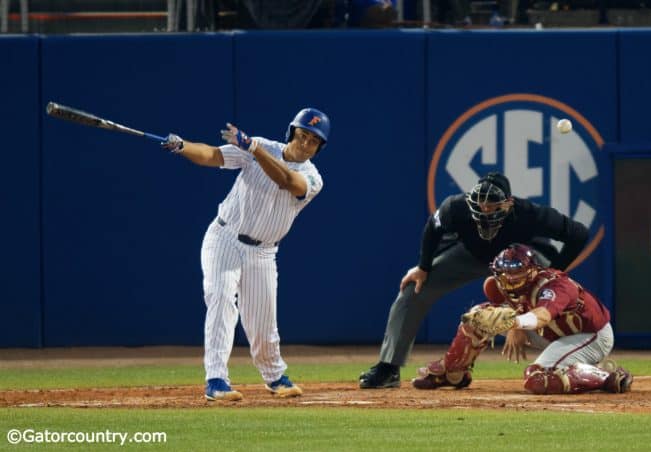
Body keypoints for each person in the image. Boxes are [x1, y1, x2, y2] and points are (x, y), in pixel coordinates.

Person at [359, 172, 590, 388]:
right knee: (413, 290)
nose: (485, 210)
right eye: (481, 204)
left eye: (493, 205)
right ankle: (389, 368)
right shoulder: (456, 207)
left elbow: (578, 233)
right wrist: (423, 267)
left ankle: (576, 360)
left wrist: (553, 275)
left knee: (552, 298)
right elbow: (433, 227)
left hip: (518, 262)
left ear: (508, 204)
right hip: (471, 254)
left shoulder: (528, 213)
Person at [161, 108, 331, 401]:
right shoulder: (261, 147)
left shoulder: (312, 178)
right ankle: (216, 379)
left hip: (263, 252)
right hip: (225, 238)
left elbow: (287, 182)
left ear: (318, 148)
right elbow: (212, 155)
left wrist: (252, 148)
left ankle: (274, 375)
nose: (305, 144)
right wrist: (182, 146)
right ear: (292, 133)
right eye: (302, 136)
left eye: (313, 141)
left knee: (263, 323)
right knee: (221, 298)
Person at [411, 243, 633, 394]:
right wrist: (514, 324)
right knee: (477, 318)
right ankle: (452, 373)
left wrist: (514, 323)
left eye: (516, 272)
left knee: (537, 379)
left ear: (532, 271)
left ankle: (606, 375)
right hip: (553, 334)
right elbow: (513, 307)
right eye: (504, 273)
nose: (509, 278)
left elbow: (542, 316)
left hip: (590, 335)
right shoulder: (499, 285)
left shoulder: (555, 286)